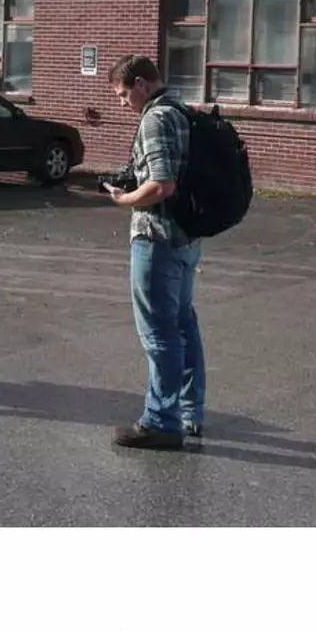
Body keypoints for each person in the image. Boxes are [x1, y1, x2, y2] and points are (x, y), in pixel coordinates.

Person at [103, 55, 205, 450]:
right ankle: (189, 410)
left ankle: (160, 421)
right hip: (187, 237)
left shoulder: (156, 118)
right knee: (183, 324)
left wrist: (125, 197)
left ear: (143, 84)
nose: (123, 102)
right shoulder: (183, 111)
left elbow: (162, 184)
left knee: (159, 331)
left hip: (157, 236)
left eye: (124, 93)